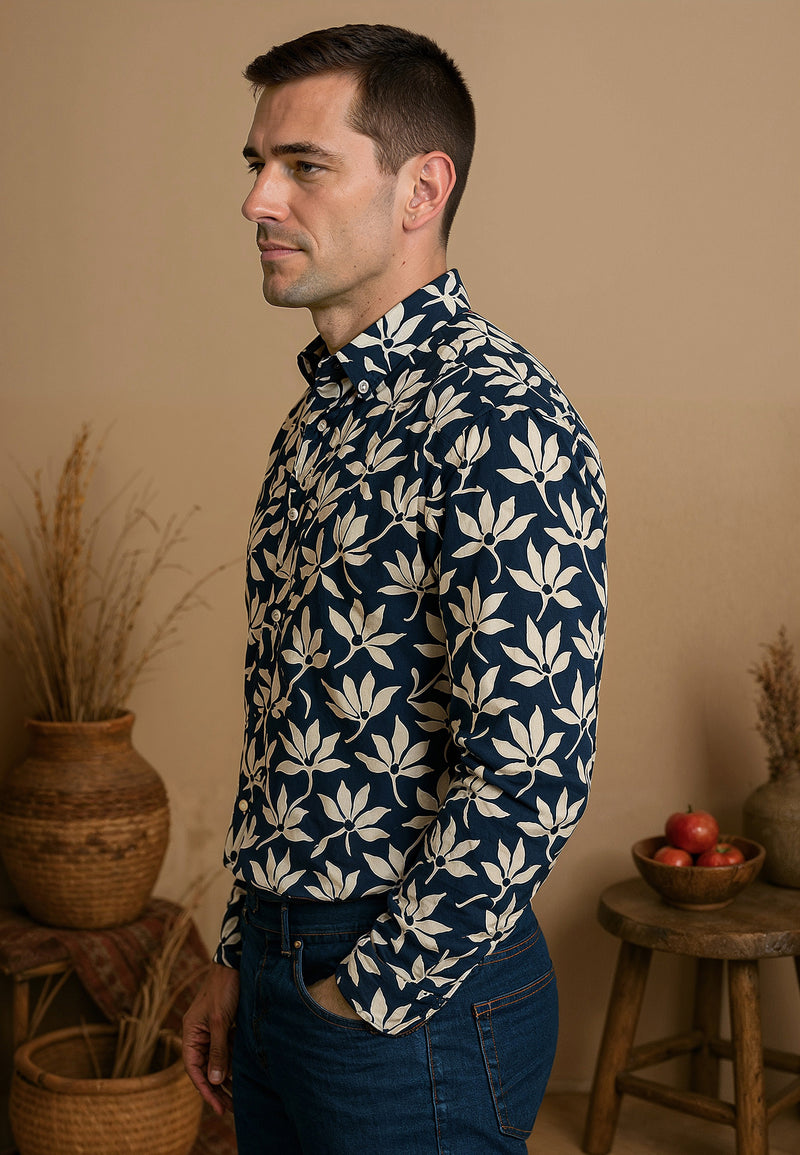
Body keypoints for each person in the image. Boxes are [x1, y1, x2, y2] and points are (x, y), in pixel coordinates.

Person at [183, 23, 607, 1154]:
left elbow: (530, 770)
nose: (258, 200)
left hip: (408, 1012)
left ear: (422, 188)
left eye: (304, 166)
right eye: (257, 164)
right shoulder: (320, 418)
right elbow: (292, 723)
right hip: (279, 974)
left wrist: (363, 995)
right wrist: (245, 952)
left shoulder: (499, 419)